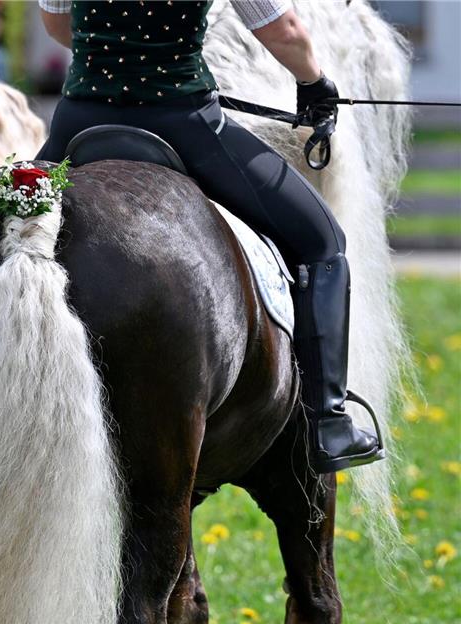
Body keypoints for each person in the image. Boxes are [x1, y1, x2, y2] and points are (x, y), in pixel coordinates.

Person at [36, 0, 383, 474]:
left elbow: (56, 23)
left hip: (78, 120)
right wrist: (314, 82)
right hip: (181, 123)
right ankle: (326, 421)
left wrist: (117, 58)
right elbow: (283, 31)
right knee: (323, 243)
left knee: (6, 224)